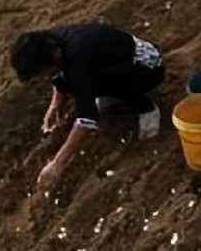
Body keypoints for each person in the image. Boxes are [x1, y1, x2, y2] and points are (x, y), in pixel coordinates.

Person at [10, 22, 165, 189]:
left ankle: (147, 109)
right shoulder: (51, 41)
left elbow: (87, 119)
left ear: (55, 55)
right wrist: (55, 106)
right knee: (79, 82)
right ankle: (114, 91)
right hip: (118, 59)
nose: (44, 78)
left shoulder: (78, 59)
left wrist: (58, 163)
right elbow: (57, 74)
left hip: (149, 67)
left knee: (85, 84)